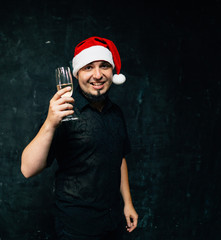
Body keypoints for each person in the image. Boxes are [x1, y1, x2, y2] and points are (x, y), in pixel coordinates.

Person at [21, 36, 138, 240]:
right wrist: (50, 123)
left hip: (112, 221)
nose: (98, 75)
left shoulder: (116, 113)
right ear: (77, 74)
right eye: (88, 67)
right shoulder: (62, 112)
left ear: (113, 72)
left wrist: (128, 203)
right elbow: (28, 169)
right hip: (75, 227)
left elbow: (119, 158)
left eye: (104, 66)